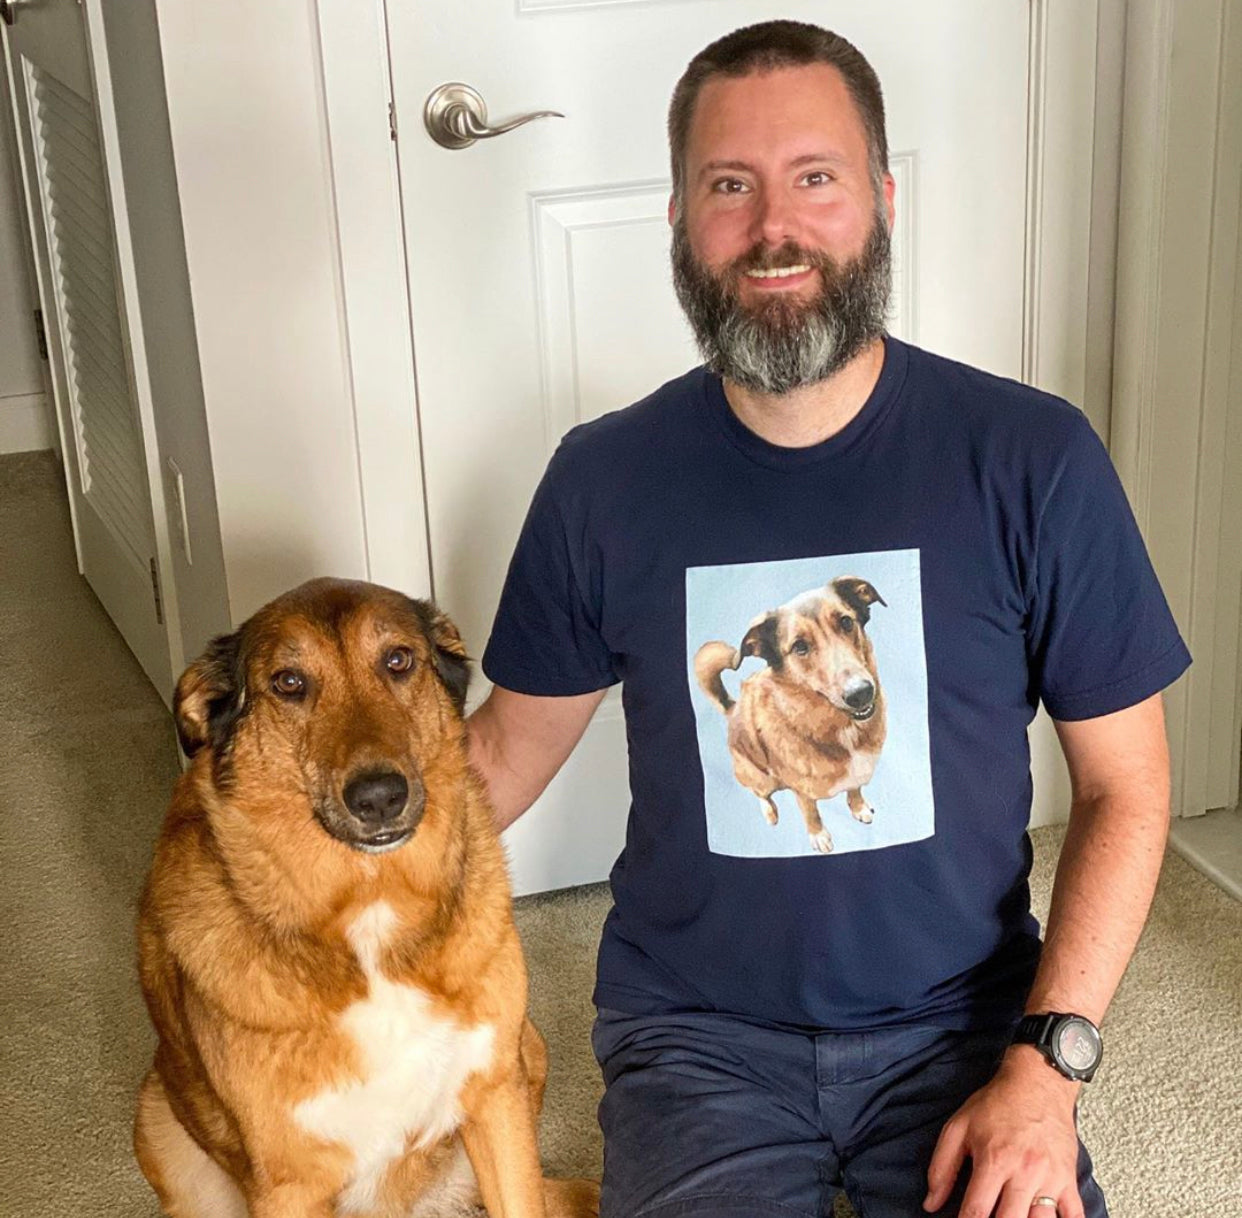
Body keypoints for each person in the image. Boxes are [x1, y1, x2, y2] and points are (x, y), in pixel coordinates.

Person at [468, 20, 1190, 1218]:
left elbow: (1129, 787)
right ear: (679, 221)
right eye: (728, 186)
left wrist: (1047, 1066)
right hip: (696, 1035)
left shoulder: (1031, 458)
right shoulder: (602, 481)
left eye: (815, 178)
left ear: (883, 200)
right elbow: (494, 759)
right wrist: (282, 863)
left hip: (965, 1021)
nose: (773, 229)